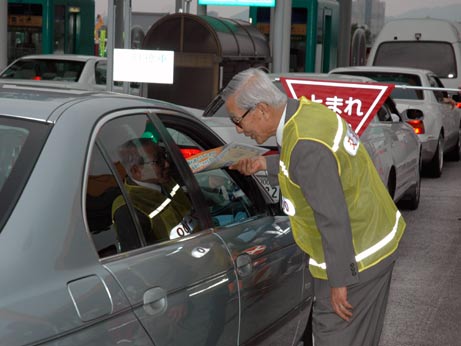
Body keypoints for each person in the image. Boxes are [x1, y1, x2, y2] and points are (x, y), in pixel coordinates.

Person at [222, 68, 406, 346]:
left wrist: (339, 282)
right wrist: (263, 163)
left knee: (334, 335)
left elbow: (332, 216)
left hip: (358, 256)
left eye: (238, 120)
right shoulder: (305, 113)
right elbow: (314, 168)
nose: (238, 129)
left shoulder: (305, 144)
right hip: (372, 240)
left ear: (260, 110)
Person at [112, 138, 193, 251]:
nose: (166, 164)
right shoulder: (128, 209)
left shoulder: (165, 180)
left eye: (164, 156)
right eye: (157, 161)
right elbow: (141, 260)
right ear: (136, 171)